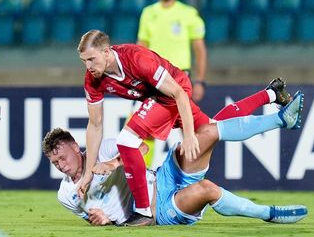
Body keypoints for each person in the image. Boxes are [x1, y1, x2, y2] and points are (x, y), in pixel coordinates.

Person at [77, 29, 293, 226]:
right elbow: (95, 124)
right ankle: (272, 93)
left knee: (127, 140)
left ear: (106, 52)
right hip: (156, 98)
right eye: (84, 61)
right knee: (212, 129)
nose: (88, 66)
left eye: (91, 59)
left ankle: (143, 211)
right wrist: (87, 174)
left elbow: (178, 93)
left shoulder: (136, 59)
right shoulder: (92, 79)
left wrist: (188, 135)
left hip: (174, 91)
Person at [43, 93, 307, 226]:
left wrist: (113, 163)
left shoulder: (104, 149)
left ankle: (281, 118)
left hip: (164, 176)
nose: (61, 166)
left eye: (63, 158)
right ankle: (268, 214)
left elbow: (142, 151)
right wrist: (105, 221)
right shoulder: (66, 194)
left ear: (76, 148)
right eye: (55, 163)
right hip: (158, 211)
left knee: (207, 132)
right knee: (207, 189)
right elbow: (94, 219)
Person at [137, 0, 207, 102]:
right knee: (155, 116)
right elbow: (141, 48)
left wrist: (200, 81)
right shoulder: (148, 12)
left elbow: (200, 51)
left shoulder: (189, 13)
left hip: (179, 76)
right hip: (154, 75)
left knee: (180, 115)